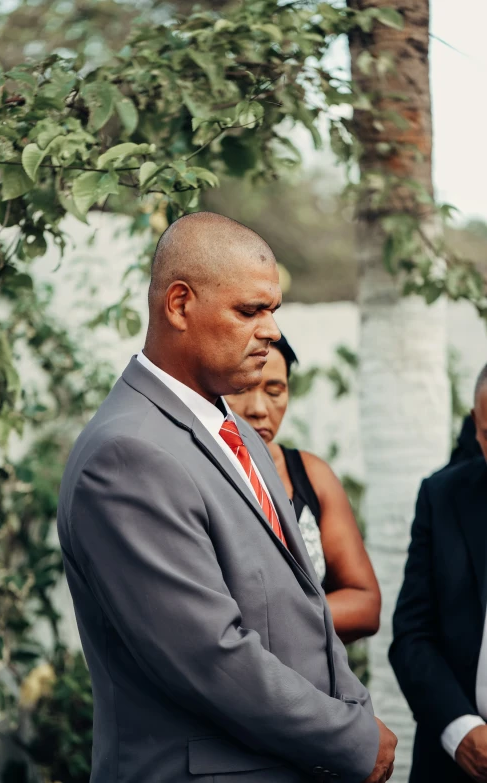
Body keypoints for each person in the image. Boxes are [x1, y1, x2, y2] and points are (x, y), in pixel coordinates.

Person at [58, 212, 396, 783]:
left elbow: (307, 609)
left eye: (273, 312)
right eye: (249, 311)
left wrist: (356, 711)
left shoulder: (234, 431)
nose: (269, 331)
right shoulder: (127, 455)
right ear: (180, 304)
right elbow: (210, 658)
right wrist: (353, 738)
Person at [225, 335, 381, 644]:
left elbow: (365, 605)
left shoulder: (311, 476)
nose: (258, 408)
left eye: (274, 391)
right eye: (241, 390)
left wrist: (273, 622)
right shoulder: (192, 475)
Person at [389, 363, 487, 783]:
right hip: (454, 765)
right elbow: (412, 634)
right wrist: (461, 730)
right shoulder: (441, 496)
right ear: (475, 423)